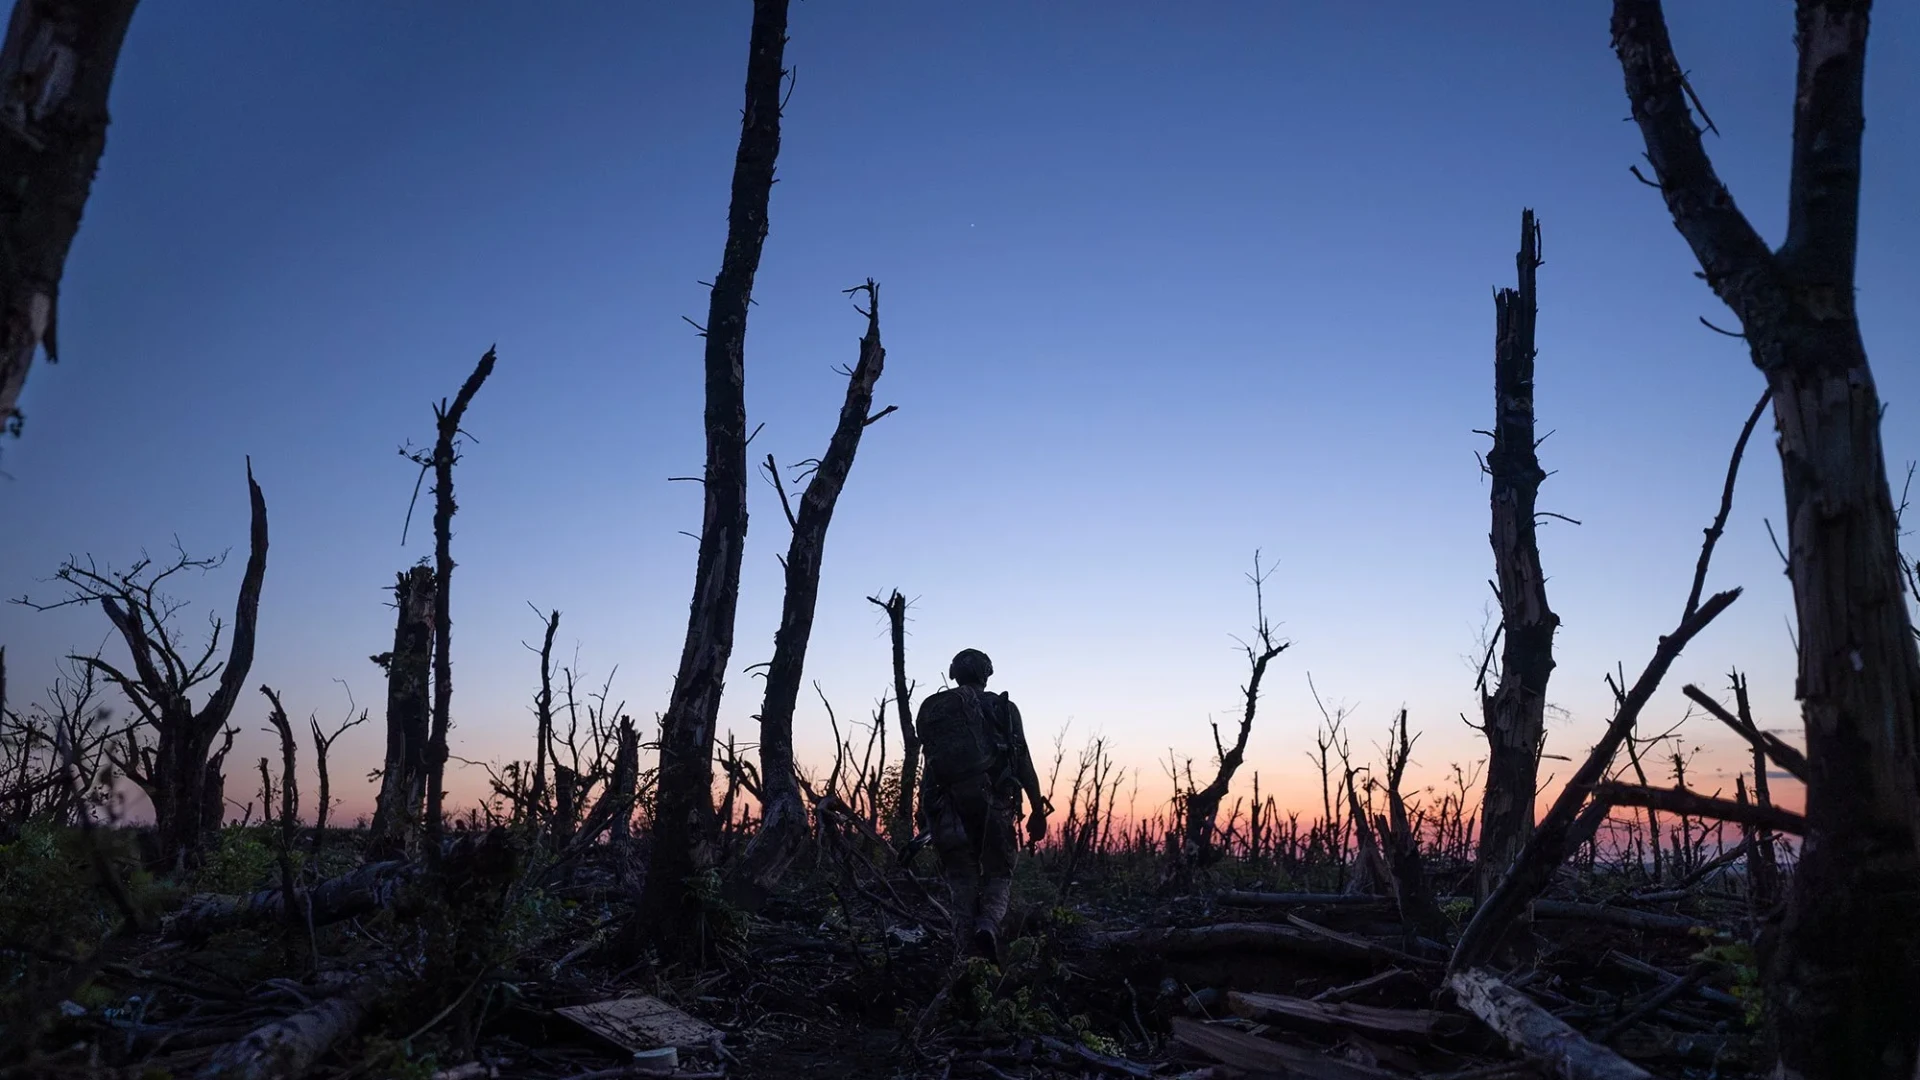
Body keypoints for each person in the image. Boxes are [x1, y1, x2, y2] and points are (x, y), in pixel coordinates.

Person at [914, 648, 1048, 963]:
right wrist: (1038, 810)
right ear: (986, 674)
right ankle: (987, 924)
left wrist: (925, 818)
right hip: (993, 804)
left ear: (954, 673)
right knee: (999, 873)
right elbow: (1023, 761)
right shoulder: (1004, 708)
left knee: (961, 877)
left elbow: (929, 769)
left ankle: (964, 956)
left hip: (946, 805)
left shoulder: (936, 710)